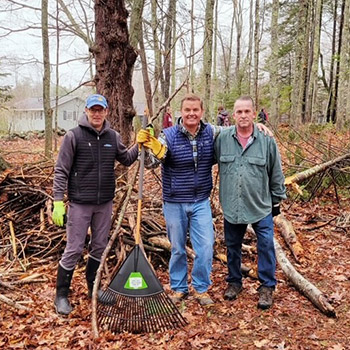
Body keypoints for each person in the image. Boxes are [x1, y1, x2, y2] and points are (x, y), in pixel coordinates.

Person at [137, 94, 272, 307]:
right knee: (178, 248)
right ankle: (179, 288)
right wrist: (144, 147)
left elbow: (238, 131)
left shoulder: (211, 132)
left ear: (202, 112)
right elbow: (152, 163)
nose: (191, 113)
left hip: (200, 201)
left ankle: (200, 288)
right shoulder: (168, 135)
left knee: (206, 246)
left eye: (195, 110)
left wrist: (259, 128)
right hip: (174, 201)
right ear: (181, 112)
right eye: (187, 110)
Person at [52, 93, 139, 315]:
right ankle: (61, 295)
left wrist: (140, 144)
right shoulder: (74, 136)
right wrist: (58, 201)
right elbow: (61, 170)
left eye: (101, 110)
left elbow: (126, 159)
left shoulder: (113, 136)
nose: (97, 113)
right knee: (73, 249)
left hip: (104, 203)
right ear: (87, 111)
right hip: (80, 203)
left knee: (99, 247)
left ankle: (94, 288)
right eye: (93, 110)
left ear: (107, 112)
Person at [214, 96, 286, 310]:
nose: (243, 115)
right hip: (232, 206)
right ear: (233, 115)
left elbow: (276, 172)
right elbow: (199, 130)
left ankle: (267, 286)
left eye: (247, 111)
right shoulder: (222, 139)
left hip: (260, 205)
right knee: (233, 247)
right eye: (239, 112)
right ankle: (235, 282)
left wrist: (276, 201)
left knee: (265, 246)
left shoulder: (266, 141)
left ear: (254, 114)